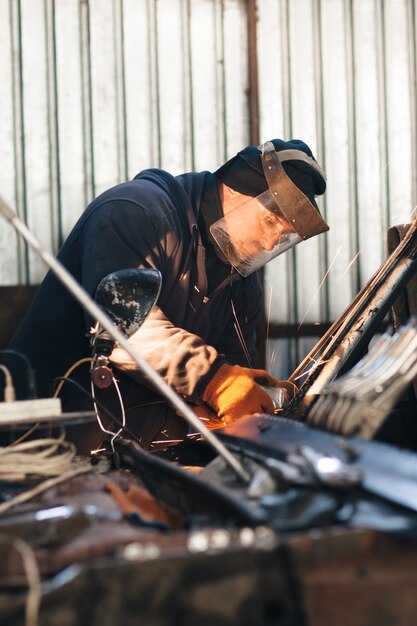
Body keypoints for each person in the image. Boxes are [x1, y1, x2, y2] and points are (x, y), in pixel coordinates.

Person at [6, 139, 329, 451]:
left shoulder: (239, 282)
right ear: (234, 191)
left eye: (283, 235)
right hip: (43, 441)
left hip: (136, 454)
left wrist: (237, 395)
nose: (271, 243)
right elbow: (122, 329)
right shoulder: (136, 213)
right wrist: (216, 381)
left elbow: (231, 368)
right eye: (270, 221)